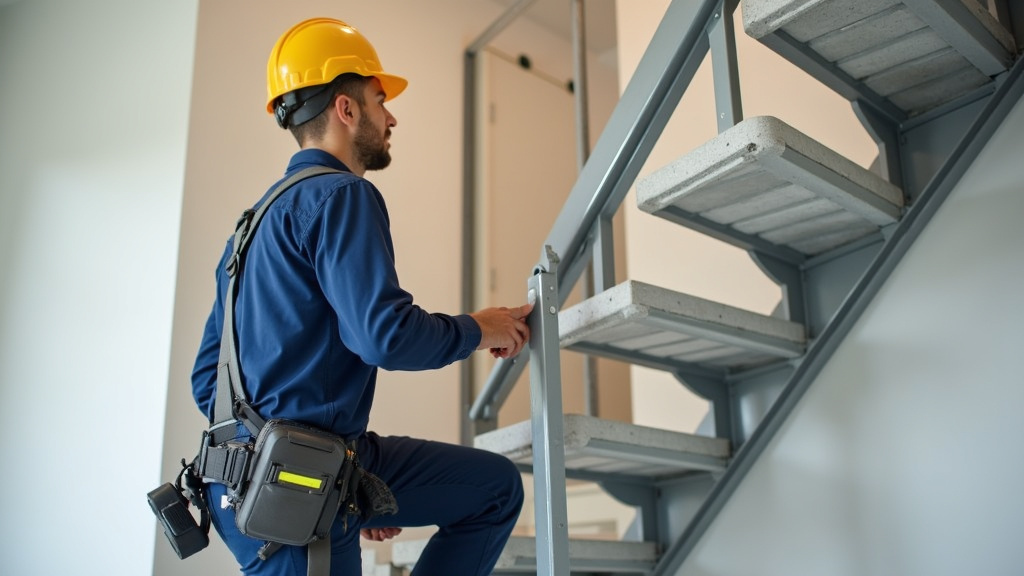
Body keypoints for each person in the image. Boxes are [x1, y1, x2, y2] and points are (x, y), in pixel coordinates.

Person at [190, 17, 532, 576]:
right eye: (380, 100)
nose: (391, 117)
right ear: (346, 109)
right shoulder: (344, 194)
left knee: (493, 489)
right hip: (293, 489)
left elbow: (207, 380)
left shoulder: (249, 228)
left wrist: (352, 477)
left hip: (249, 479)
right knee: (495, 491)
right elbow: (385, 337)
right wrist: (480, 327)